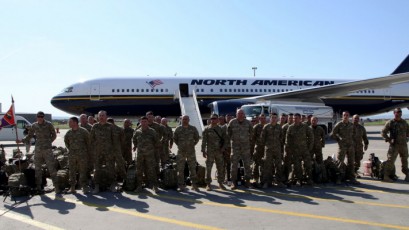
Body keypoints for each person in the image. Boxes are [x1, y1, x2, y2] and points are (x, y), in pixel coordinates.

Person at [20, 111, 57, 192]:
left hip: (47, 150)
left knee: (51, 167)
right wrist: (22, 140)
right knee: (37, 168)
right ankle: (39, 186)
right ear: (37, 117)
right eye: (39, 116)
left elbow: (54, 135)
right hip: (38, 150)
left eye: (41, 116)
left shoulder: (48, 124)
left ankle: (56, 186)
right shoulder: (34, 125)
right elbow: (29, 135)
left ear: (43, 117)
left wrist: (49, 142)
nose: (40, 118)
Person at [90, 110, 117, 193]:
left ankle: (112, 185)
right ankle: (97, 186)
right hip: (98, 152)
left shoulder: (111, 126)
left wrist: (115, 151)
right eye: (100, 115)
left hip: (109, 152)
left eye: (103, 115)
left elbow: (114, 140)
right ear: (98, 117)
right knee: (97, 169)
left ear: (106, 117)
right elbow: (91, 139)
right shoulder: (94, 126)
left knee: (111, 168)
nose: (101, 117)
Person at [331, 111, 359, 184]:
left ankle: (352, 178)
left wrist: (352, 142)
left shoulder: (352, 125)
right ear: (342, 116)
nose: (345, 116)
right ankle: (338, 178)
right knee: (340, 162)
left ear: (349, 116)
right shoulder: (339, 124)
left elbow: (355, 134)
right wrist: (338, 140)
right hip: (342, 146)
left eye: (347, 115)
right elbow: (333, 134)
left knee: (351, 162)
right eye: (344, 115)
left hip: (350, 146)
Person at [381, 108, 409, 182]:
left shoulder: (404, 122)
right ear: (394, 113)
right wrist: (389, 139)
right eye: (397, 112)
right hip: (394, 146)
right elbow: (383, 132)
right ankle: (386, 176)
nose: (398, 114)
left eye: (400, 112)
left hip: (403, 145)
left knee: (405, 160)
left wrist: (407, 138)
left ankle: (407, 175)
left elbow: (408, 132)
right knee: (390, 161)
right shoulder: (390, 122)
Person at [228, 109, 253, 189]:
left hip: (245, 148)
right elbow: (228, 134)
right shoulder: (232, 122)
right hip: (235, 148)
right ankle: (233, 182)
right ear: (236, 114)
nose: (240, 115)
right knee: (234, 166)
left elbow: (251, 134)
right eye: (239, 113)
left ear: (244, 114)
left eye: (242, 113)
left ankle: (247, 182)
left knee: (247, 165)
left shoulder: (248, 123)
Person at [286, 113, 314, 186]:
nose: (295, 120)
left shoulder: (305, 126)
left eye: (297, 118)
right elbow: (287, 139)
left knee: (308, 164)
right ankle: (299, 179)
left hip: (305, 149)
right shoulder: (290, 127)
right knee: (297, 166)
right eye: (294, 118)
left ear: (300, 119)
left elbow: (311, 136)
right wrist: (290, 148)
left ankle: (309, 179)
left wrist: (309, 147)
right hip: (295, 150)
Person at [133, 116, 159, 193]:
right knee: (139, 170)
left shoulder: (152, 131)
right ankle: (139, 186)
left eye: (145, 121)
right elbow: (134, 140)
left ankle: (154, 185)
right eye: (142, 121)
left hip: (150, 154)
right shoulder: (137, 132)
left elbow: (157, 141)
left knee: (152, 170)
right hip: (140, 155)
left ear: (147, 122)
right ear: (140, 122)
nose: (144, 123)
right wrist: (135, 146)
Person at [173, 115, 200, 192]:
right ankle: (181, 185)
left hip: (191, 152)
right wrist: (180, 145)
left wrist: (192, 145)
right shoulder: (178, 129)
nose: (185, 120)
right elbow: (175, 139)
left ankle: (194, 184)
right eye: (183, 119)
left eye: (186, 119)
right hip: (181, 152)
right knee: (180, 169)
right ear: (181, 120)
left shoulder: (193, 128)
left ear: (189, 120)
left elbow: (197, 138)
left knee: (192, 168)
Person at [201, 114, 228, 191]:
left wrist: (223, 148)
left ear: (217, 120)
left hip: (219, 151)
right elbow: (204, 141)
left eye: (215, 118)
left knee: (220, 167)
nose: (213, 120)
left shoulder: (221, 129)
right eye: (212, 118)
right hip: (210, 152)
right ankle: (208, 184)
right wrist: (203, 150)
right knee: (208, 168)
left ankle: (220, 183)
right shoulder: (206, 129)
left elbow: (226, 140)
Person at [64, 116, 90, 193]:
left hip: (82, 155)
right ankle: (72, 187)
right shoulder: (69, 133)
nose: (69, 123)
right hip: (72, 155)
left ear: (75, 122)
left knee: (83, 171)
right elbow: (66, 142)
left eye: (70, 122)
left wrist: (86, 152)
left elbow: (88, 142)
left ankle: (84, 187)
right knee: (72, 171)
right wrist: (71, 150)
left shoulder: (84, 131)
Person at [260, 113, 285, 188]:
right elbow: (262, 139)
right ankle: (267, 182)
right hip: (268, 150)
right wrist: (266, 146)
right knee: (267, 166)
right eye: (272, 117)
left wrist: (279, 146)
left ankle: (279, 181)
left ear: (277, 119)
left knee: (278, 166)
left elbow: (282, 138)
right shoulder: (266, 127)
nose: (274, 119)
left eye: (275, 117)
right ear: (270, 118)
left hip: (277, 149)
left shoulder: (279, 127)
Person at [107, 118, 127, 183]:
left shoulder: (119, 129)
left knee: (121, 165)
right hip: (109, 151)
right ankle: (112, 180)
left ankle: (125, 179)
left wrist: (119, 147)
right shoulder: (106, 130)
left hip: (117, 151)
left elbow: (123, 141)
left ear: (113, 123)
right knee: (110, 166)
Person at [251, 113, 267, 185]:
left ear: (265, 119)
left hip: (266, 149)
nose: (262, 120)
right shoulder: (256, 127)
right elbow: (252, 139)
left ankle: (263, 179)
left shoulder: (268, 126)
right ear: (259, 119)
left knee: (264, 164)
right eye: (260, 118)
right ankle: (255, 178)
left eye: (263, 118)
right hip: (258, 149)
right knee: (256, 164)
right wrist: (252, 150)